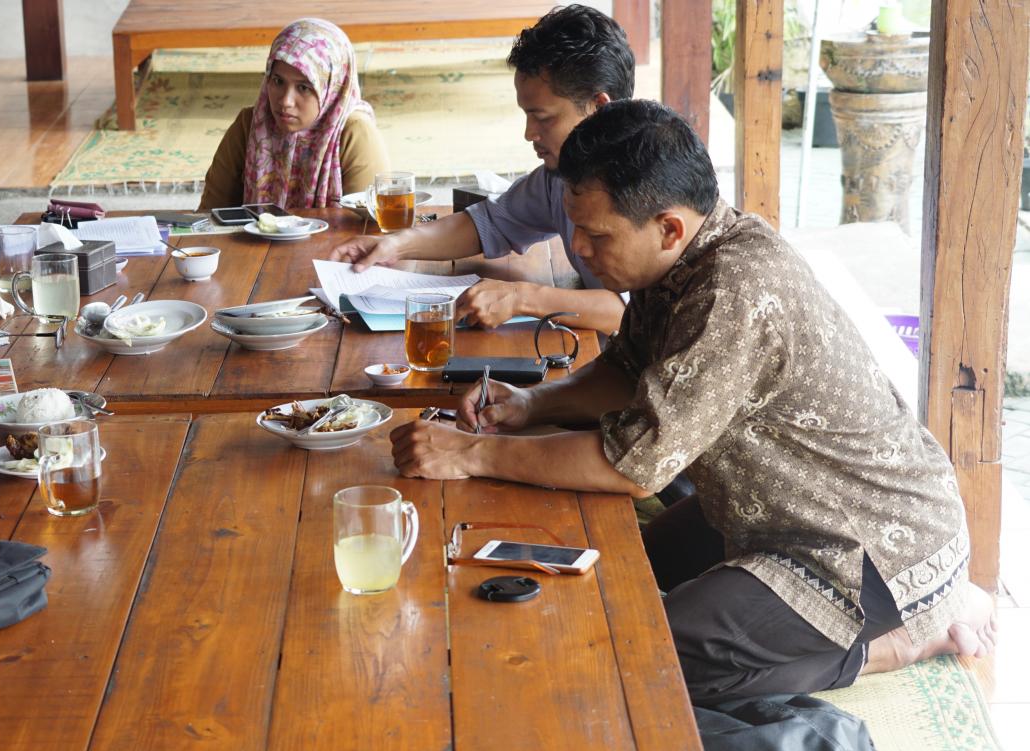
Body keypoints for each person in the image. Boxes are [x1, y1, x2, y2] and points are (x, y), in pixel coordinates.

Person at [389, 100, 996, 704]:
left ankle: (892, 646)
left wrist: (470, 454)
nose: (580, 248)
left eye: (596, 235)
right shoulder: (685, 257)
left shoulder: (733, 290)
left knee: (636, 652)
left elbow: (631, 467)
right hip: (776, 501)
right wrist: (530, 405)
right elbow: (625, 374)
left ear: (669, 228)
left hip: (867, 547)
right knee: (622, 572)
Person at [328, 5, 633, 335]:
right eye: (527, 116)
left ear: (598, 108)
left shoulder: (642, 184)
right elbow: (491, 222)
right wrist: (397, 244)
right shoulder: (559, 177)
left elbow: (629, 313)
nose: (529, 133)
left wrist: (522, 297)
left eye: (543, 118)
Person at [197, 17, 388, 210]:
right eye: (278, 81)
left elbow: (369, 223)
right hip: (255, 232)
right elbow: (209, 214)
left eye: (304, 87)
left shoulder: (355, 134)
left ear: (331, 88)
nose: (285, 101)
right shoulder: (250, 125)